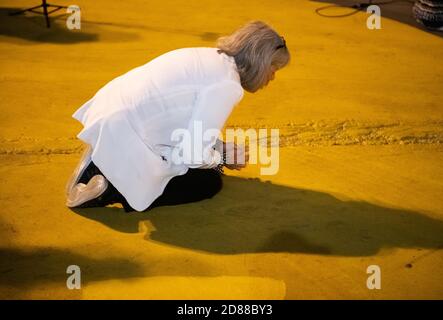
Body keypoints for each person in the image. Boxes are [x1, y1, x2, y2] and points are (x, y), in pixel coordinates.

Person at [65, 20, 291, 212]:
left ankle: (103, 159)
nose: (272, 77)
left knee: (204, 162)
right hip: (130, 131)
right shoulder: (227, 85)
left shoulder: (211, 57)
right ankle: (112, 188)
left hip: (112, 112)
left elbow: (183, 119)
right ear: (261, 63)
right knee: (207, 181)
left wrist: (219, 147)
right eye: (274, 68)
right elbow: (192, 154)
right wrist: (222, 159)